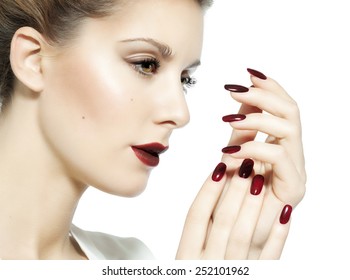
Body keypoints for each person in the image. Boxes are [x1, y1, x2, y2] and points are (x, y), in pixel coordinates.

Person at [0, 0, 306, 260]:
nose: (180, 113)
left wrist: (241, 251)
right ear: (33, 60)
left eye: (185, 79)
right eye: (146, 64)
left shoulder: (131, 260)